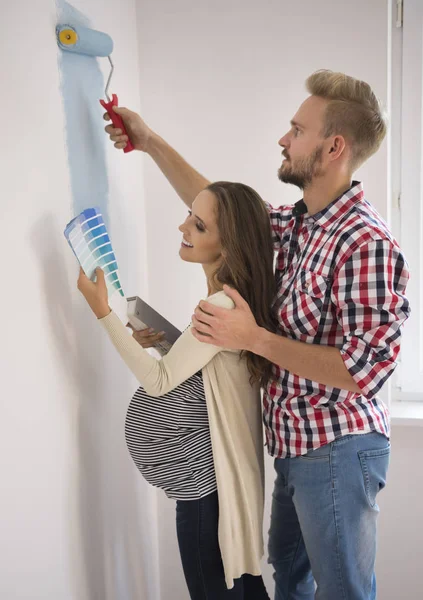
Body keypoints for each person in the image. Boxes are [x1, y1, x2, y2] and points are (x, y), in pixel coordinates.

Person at [103, 70, 410, 600]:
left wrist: (254, 338)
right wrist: (148, 141)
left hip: (338, 447)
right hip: (291, 445)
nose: (283, 139)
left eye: (297, 129)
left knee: (343, 592)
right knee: (290, 582)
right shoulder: (300, 224)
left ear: (333, 146)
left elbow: (363, 370)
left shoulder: (364, 242)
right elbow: (217, 208)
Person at [77, 181, 274, 599]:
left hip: (205, 492)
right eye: (190, 213)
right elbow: (211, 367)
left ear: (227, 245)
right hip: (213, 485)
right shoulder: (230, 301)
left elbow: (160, 380)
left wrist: (103, 313)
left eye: (199, 225)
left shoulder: (219, 307)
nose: (182, 226)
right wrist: (165, 340)